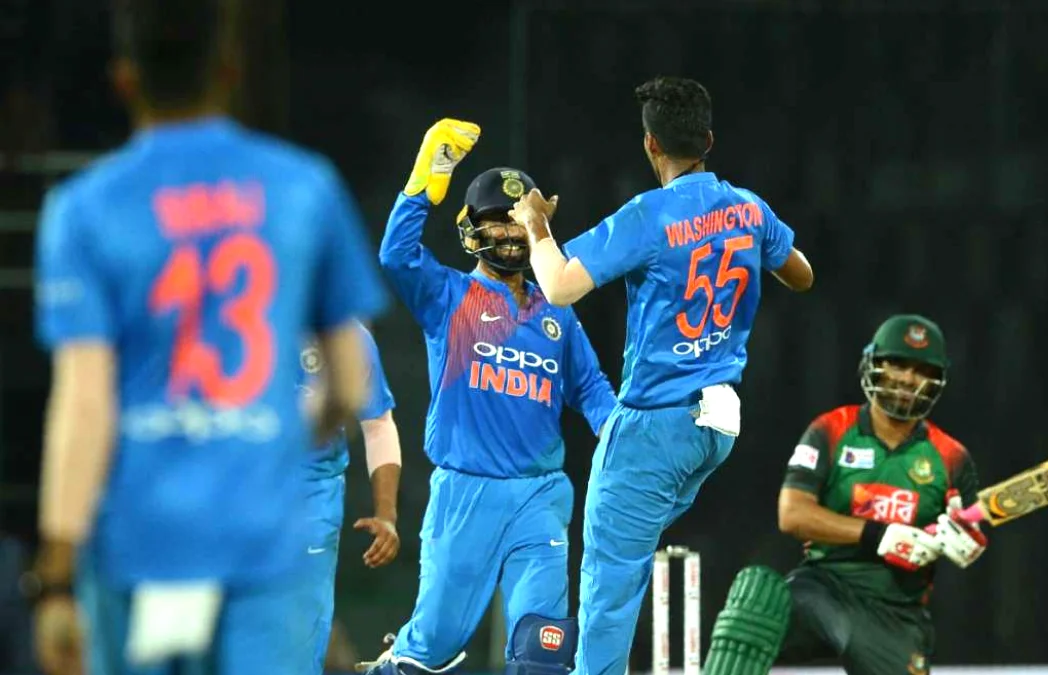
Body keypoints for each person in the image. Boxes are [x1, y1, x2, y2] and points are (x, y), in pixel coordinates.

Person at [28, 0, 388, 673]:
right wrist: (272, 441)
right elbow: (348, 379)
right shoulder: (306, 188)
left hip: (138, 540)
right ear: (227, 71)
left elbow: (83, 404)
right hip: (259, 537)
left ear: (124, 79)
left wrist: (54, 572)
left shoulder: (82, 209)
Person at [508, 76, 814, 675]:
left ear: (650, 144)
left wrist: (536, 225)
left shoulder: (648, 215)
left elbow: (559, 286)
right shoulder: (749, 208)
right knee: (627, 548)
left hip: (655, 423)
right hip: (717, 422)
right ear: (708, 141)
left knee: (609, 578)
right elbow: (801, 274)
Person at [358, 119, 617, 675]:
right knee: (428, 652)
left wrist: (623, 439)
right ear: (471, 229)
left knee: (542, 653)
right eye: (495, 221)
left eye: (518, 220)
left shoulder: (556, 310)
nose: (509, 233)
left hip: (540, 498)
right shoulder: (448, 296)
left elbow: (591, 387)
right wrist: (423, 184)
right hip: (464, 495)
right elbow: (396, 256)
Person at [703, 314, 989, 675]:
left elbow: (970, 527)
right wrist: (878, 534)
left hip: (896, 611)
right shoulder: (832, 429)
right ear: (873, 364)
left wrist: (966, 542)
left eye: (921, 370)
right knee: (757, 597)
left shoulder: (952, 456)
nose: (907, 378)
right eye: (897, 364)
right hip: (823, 591)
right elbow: (792, 514)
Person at [292, 321, 402, 675]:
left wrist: (387, 514)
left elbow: (378, 424)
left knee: (301, 630)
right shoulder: (234, 311)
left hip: (312, 495)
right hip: (236, 489)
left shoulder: (349, 336)